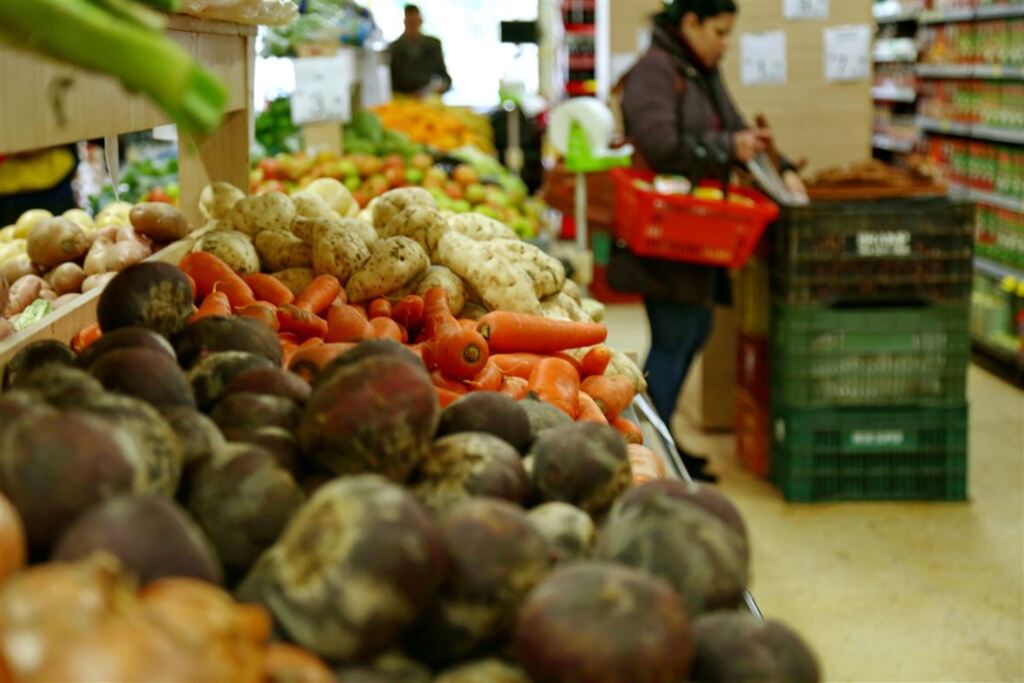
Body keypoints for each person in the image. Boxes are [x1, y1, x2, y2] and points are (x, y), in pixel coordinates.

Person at [616, 0, 806, 481]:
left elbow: (738, 126)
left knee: (694, 330)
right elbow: (659, 144)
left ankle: (663, 442)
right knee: (675, 335)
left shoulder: (701, 70)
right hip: (665, 231)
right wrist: (726, 148)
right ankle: (644, 449)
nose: (726, 43)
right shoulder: (655, 72)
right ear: (690, 23)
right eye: (719, 32)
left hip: (698, 231)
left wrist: (777, 167)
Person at [388, 4, 451, 97]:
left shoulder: (434, 45)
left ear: (420, 21)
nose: (413, 26)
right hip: (402, 100)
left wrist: (438, 88)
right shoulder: (393, 48)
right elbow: (389, 82)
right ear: (405, 22)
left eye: (415, 21)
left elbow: (446, 79)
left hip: (428, 99)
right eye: (410, 22)